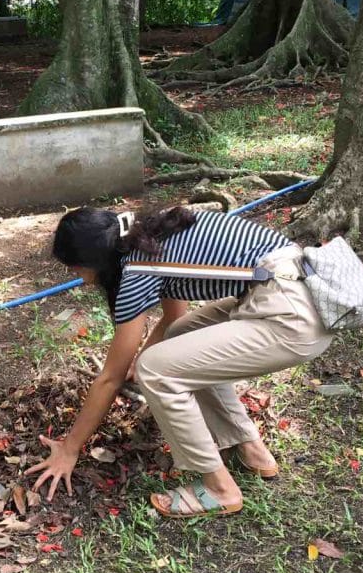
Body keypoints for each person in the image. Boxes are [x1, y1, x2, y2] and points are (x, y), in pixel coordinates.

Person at [27, 206, 332, 518]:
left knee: (155, 371)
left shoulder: (136, 270)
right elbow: (175, 321)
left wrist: (69, 448)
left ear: (93, 261)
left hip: (293, 319)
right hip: (294, 292)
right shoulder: (154, 233)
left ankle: (220, 489)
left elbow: (110, 378)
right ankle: (251, 450)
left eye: (76, 270)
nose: (79, 280)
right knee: (174, 343)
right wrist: (144, 353)